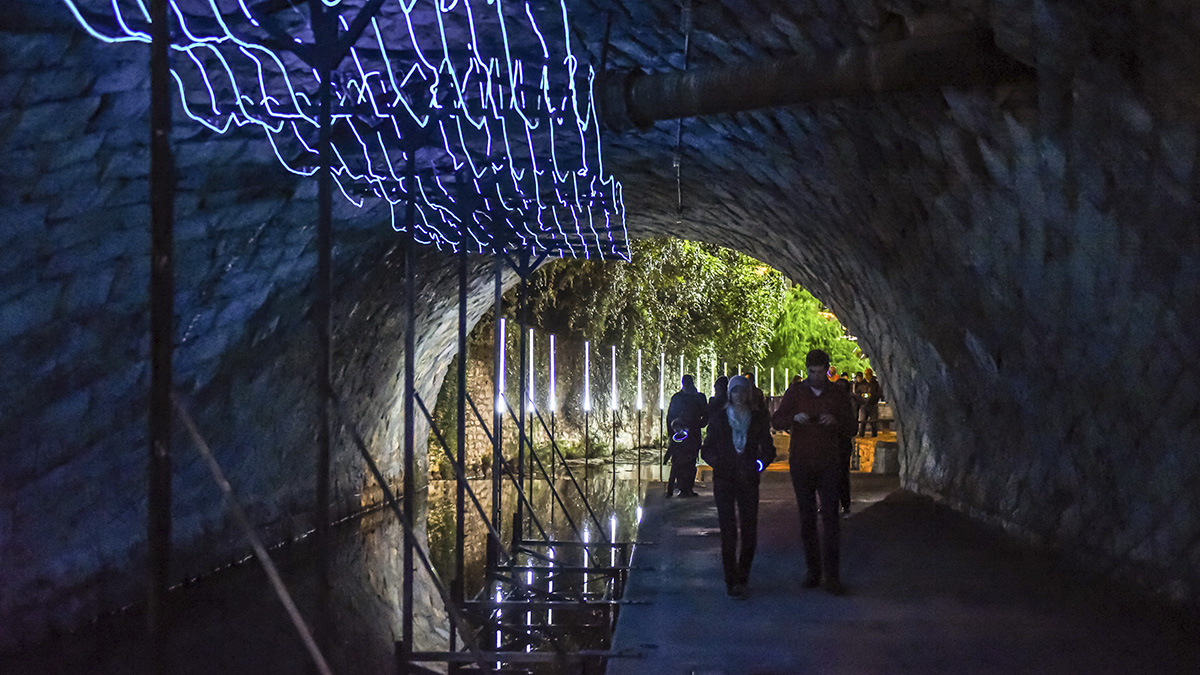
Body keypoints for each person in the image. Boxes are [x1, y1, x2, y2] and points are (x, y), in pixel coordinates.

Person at [772, 350, 856, 595]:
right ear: (807, 370)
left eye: (820, 372)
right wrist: (793, 418)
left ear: (827, 370)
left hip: (829, 463)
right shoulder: (796, 392)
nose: (816, 376)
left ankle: (832, 576)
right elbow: (776, 420)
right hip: (801, 463)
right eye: (812, 372)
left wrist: (836, 422)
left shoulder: (838, 395)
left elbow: (852, 427)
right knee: (806, 518)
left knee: (831, 519)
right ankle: (813, 571)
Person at [701, 375, 776, 599]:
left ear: (748, 394)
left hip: (748, 479)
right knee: (728, 531)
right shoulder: (719, 419)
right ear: (729, 394)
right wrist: (720, 462)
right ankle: (730, 580)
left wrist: (759, 464)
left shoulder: (758, 419)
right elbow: (706, 450)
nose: (739, 396)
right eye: (735, 392)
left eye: (743, 391)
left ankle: (743, 576)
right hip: (725, 480)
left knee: (749, 530)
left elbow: (768, 449)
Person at [665, 374, 708, 498]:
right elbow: (671, 417)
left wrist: (699, 424)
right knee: (681, 462)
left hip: (689, 434)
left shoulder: (690, 397)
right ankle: (684, 488)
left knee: (688, 462)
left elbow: (705, 415)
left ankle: (686, 488)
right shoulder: (682, 398)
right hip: (682, 433)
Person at [829, 367, 855, 515]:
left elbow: (852, 428)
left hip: (842, 443)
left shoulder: (847, 406)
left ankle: (845, 504)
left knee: (842, 475)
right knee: (830, 475)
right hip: (832, 444)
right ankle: (833, 503)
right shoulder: (832, 404)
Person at [857, 368, 881, 437]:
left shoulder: (875, 383)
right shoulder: (862, 383)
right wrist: (862, 396)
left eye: (867, 374)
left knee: (874, 422)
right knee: (862, 422)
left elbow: (879, 393)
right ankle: (861, 435)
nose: (866, 375)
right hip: (864, 405)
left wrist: (872, 396)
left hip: (873, 405)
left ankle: (874, 435)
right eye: (865, 374)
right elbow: (857, 393)